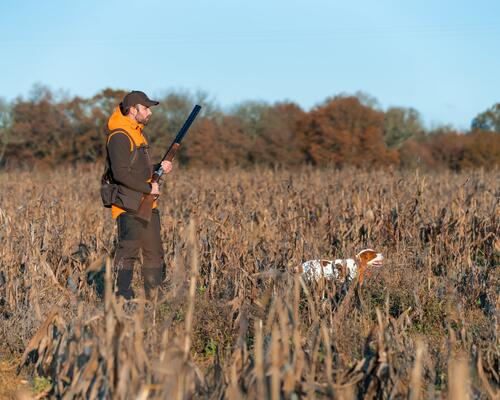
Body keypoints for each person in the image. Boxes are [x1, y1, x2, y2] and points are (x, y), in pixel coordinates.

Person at [105, 90, 172, 300]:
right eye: (146, 108)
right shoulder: (119, 136)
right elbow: (120, 173)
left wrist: (159, 167)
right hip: (128, 203)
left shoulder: (137, 133)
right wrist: (147, 189)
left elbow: (138, 170)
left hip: (145, 202)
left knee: (154, 250)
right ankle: (121, 299)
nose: (149, 113)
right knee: (128, 251)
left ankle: (154, 298)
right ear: (133, 110)